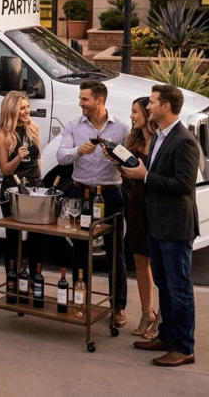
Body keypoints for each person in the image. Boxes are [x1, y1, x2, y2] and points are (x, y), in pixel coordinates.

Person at [121, 85, 200, 367]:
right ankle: (166, 336)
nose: (149, 106)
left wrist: (146, 176)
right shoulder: (159, 137)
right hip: (157, 224)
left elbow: (183, 185)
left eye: (153, 102)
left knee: (179, 288)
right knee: (165, 285)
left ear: (166, 106)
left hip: (175, 227)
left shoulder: (184, 141)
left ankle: (184, 347)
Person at [56, 80, 129, 327]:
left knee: (115, 252)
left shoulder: (120, 128)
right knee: (80, 251)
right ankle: (81, 301)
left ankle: (118, 307)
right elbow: (61, 156)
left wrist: (116, 159)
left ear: (100, 101)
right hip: (81, 196)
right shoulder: (74, 126)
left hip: (111, 195)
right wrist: (78, 150)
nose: (80, 103)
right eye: (80, 99)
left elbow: (129, 163)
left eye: (85, 99)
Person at [0, 91, 46, 274]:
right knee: (13, 238)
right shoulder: (2, 135)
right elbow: (5, 170)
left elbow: (37, 159)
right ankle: (12, 281)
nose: (26, 112)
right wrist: (17, 157)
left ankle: (34, 278)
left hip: (34, 189)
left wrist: (40, 183)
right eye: (22, 108)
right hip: (12, 189)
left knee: (37, 238)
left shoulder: (33, 128)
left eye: (27, 108)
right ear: (11, 110)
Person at [125, 96, 160, 339]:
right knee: (139, 260)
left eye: (136, 111)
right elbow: (131, 178)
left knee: (159, 264)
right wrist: (119, 166)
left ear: (148, 114)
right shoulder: (134, 142)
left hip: (157, 208)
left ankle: (162, 316)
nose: (132, 116)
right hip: (136, 205)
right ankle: (147, 312)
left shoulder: (162, 142)